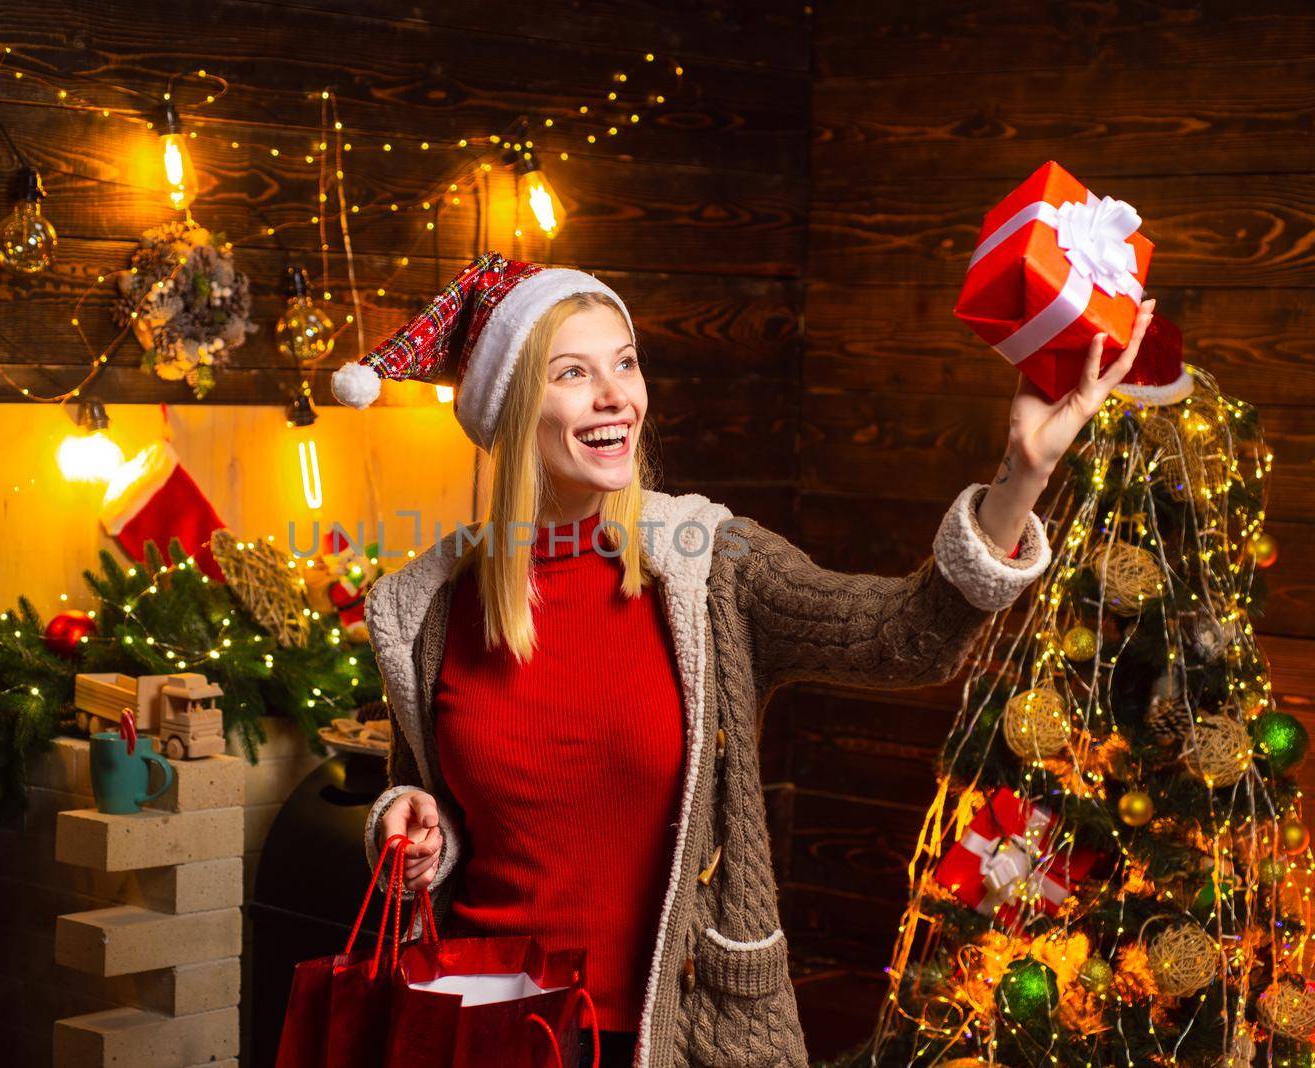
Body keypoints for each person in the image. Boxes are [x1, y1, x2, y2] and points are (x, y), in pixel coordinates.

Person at [329, 251, 1156, 1067]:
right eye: (572, 373)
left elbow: (908, 635)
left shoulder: (708, 565)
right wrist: (413, 833)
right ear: (508, 409)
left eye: (625, 363)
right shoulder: (427, 608)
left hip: (676, 1030)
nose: (616, 394)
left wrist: (1022, 474)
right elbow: (431, 810)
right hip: (484, 1027)